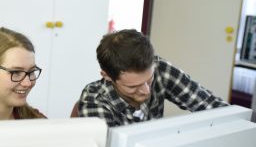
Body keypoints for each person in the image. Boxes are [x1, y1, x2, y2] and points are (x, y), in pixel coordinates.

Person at [76, 29, 228, 126]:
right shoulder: (94, 100)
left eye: (149, 80)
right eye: (132, 87)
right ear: (107, 76)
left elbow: (209, 104)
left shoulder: (159, 68)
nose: (146, 91)